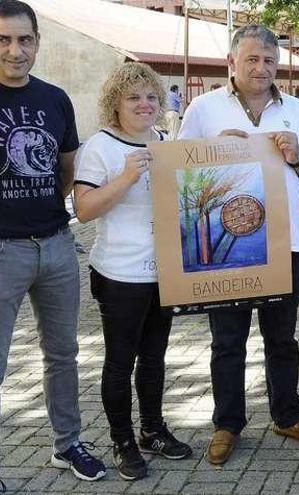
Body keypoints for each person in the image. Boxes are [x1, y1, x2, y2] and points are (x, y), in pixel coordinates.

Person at [177, 24, 299, 465]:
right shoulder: (203, 110)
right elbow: (177, 176)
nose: (261, 67)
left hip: (284, 244)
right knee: (227, 341)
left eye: (268, 60)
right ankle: (227, 424)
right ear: (231, 62)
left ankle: (287, 415)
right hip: (227, 248)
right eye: (252, 59)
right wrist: (214, 155)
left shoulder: (298, 111)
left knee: (282, 338)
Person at [0, 0, 107, 482]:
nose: (14, 50)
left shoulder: (55, 99)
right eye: (3, 40)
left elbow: (67, 169)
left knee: (63, 355)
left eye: (24, 39)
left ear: (37, 42)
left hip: (57, 244)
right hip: (2, 251)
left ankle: (67, 445)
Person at [73, 62, 193, 480]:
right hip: (120, 274)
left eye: (151, 97)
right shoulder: (100, 147)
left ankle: (152, 429)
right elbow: (84, 210)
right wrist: (126, 176)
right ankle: (122, 440)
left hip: (164, 273)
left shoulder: (165, 141)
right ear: (115, 104)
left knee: (156, 358)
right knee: (120, 361)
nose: (144, 104)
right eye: (133, 97)